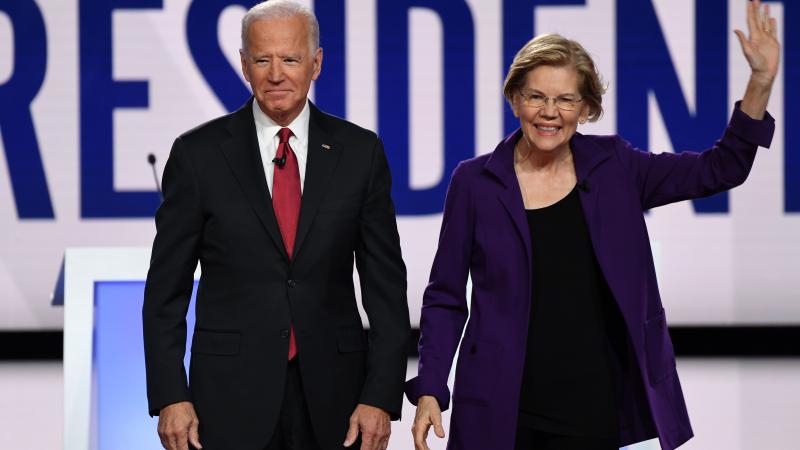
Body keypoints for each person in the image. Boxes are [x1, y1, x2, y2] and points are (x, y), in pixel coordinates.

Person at [407, 1, 779, 449]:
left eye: (565, 100)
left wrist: (760, 83)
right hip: (499, 405)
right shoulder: (475, 182)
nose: (550, 112)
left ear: (585, 109)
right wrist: (430, 385)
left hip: (591, 407)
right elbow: (445, 296)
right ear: (514, 99)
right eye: (536, 96)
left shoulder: (615, 166)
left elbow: (720, 169)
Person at [142, 2, 410, 450]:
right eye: (263, 60)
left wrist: (380, 396)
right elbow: (165, 291)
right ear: (245, 66)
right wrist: (171, 394)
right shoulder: (198, 155)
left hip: (337, 400)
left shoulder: (360, 153)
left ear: (316, 64)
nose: (277, 74)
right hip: (227, 398)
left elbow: (385, 289)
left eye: (290, 59)